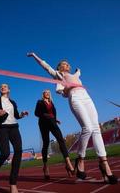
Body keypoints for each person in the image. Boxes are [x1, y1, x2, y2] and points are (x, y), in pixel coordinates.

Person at [28, 52, 118, 184]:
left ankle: (105, 165)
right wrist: (35, 56)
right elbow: (46, 66)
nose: (66, 65)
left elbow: (78, 74)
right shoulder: (58, 74)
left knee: (96, 129)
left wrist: (78, 71)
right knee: (87, 128)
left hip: (86, 97)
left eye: (67, 64)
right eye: (63, 64)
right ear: (59, 67)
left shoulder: (75, 75)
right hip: (75, 98)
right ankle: (80, 159)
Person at [0, 84, 28, 193]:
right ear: (0, 90)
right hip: (1, 128)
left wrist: (22, 114)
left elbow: (16, 115)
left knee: (18, 151)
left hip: (14, 127)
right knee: (5, 153)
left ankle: (13, 184)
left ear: (9, 89)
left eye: (5, 86)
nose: (2, 87)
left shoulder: (12, 102)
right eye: (1, 86)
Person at [35, 89, 74, 179]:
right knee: (46, 143)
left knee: (61, 140)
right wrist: (46, 115)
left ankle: (68, 163)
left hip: (53, 123)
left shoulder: (51, 102)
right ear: (43, 94)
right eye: (46, 92)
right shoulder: (40, 102)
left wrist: (55, 119)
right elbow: (36, 113)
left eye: (49, 92)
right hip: (43, 124)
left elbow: (53, 113)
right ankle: (45, 166)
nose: (47, 93)